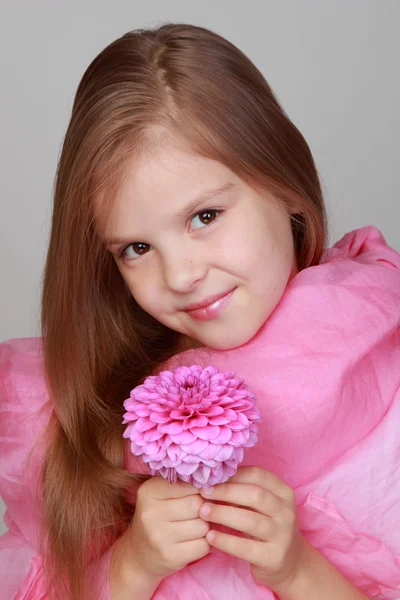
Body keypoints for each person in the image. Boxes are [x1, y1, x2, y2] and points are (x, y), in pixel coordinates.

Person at [1, 22, 399, 600]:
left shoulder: (379, 349)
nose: (181, 276)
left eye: (205, 216)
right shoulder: (83, 408)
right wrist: (133, 565)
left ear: (284, 186)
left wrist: (297, 571)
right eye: (137, 248)